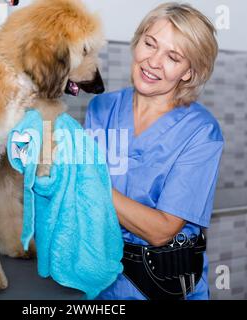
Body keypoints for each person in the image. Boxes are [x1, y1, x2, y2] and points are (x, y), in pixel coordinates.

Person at [85, 2, 224, 300]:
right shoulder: (101, 109)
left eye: (173, 57)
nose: (153, 62)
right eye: (150, 44)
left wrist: (86, 182)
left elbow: (162, 230)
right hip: (101, 282)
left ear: (189, 72)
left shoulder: (201, 132)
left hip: (163, 287)